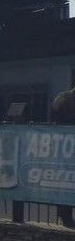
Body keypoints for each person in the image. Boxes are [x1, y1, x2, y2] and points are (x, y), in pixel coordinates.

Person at [52, 86, 75, 227]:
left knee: (65, 181)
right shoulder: (64, 99)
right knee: (67, 181)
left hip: (61, 146)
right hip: (66, 146)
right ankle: (65, 216)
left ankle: (64, 215)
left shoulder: (61, 97)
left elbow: (53, 120)